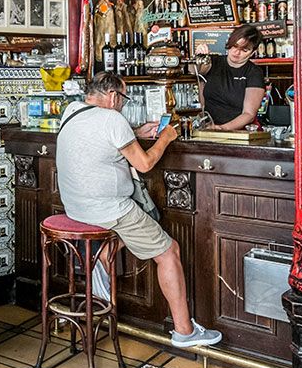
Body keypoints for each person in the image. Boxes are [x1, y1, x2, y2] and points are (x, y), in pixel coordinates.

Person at [55, 71, 222, 348]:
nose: (123, 104)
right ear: (112, 96)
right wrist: (166, 137)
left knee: (123, 236)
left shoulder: (71, 110)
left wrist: (135, 133)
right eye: (123, 98)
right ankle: (184, 331)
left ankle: (100, 265)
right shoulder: (112, 118)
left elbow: (98, 138)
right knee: (169, 252)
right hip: (109, 209)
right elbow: (144, 164)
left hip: (75, 207)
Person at [195, 24, 266, 131]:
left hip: (238, 133)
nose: (237, 52)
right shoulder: (213, 62)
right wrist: (199, 57)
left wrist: (221, 128)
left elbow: (249, 114)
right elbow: (194, 71)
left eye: (244, 50)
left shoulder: (254, 72)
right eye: (235, 46)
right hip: (208, 128)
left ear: (253, 53)